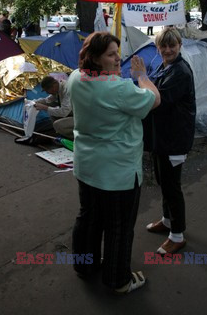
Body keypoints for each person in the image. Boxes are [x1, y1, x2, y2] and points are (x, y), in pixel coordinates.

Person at [67, 32, 160, 293]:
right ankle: (118, 280)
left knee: (89, 219)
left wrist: (115, 75)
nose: (118, 58)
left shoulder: (75, 78)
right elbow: (154, 99)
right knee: (119, 227)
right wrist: (142, 77)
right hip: (118, 173)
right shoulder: (119, 88)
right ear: (95, 58)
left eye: (118, 52)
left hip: (87, 167)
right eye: (111, 54)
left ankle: (85, 265)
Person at [144, 27, 196, 255]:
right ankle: (167, 220)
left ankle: (177, 235)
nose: (167, 50)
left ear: (179, 45)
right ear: (158, 47)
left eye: (171, 46)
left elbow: (157, 100)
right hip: (161, 137)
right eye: (163, 46)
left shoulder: (181, 72)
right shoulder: (165, 66)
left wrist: (140, 78)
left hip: (174, 139)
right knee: (163, 182)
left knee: (172, 187)